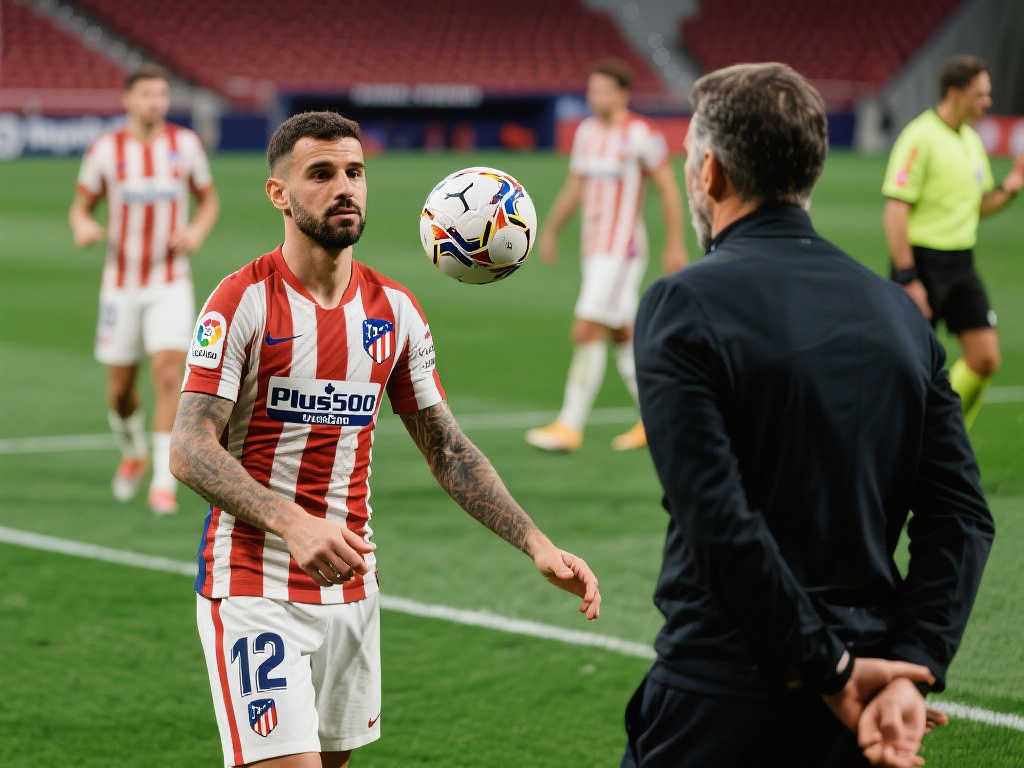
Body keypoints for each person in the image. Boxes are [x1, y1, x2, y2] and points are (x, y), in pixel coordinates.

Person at [169, 112, 601, 768]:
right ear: (279, 193)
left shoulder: (393, 311)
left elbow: (448, 449)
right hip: (256, 586)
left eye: (354, 172)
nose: (344, 187)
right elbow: (189, 446)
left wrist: (536, 543)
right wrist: (292, 523)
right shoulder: (241, 301)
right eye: (321, 174)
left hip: (353, 590)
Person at [623, 63, 994, 768]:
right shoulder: (898, 313)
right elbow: (961, 514)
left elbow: (718, 519)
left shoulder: (683, 303)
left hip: (726, 694)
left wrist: (828, 667)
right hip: (863, 709)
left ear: (711, 173)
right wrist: (914, 663)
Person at [69, 64, 220, 514]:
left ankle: (162, 482)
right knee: (120, 391)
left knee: (170, 375)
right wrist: (83, 226)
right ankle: (133, 451)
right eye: (147, 95)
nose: (156, 103)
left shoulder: (185, 145)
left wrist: (196, 231)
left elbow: (208, 200)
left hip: (170, 281)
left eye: (162, 95)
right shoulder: (106, 149)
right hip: (120, 285)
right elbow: (81, 206)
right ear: (128, 100)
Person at [525, 58, 687, 453]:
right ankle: (656, 419)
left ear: (623, 94)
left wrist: (675, 243)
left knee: (586, 327)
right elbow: (576, 185)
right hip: (593, 249)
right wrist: (551, 228)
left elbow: (667, 187)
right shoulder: (587, 133)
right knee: (621, 334)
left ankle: (570, 425)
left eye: (603, 90)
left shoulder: (641, 134)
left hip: (621, 249)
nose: (595, 97)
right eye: (592, 89)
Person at [883, 55, 1024, 429]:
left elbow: (979, 205)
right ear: (955, 93)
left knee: (985, 358)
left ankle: (946, 434)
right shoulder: (920, 137)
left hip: (961, 264)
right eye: (981, 95)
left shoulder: (971, 141)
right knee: (911, 369)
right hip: (921, 264)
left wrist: (1011, 187)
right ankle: (901, 444)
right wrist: (908, 277)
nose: (987, 102)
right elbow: (896, 208)